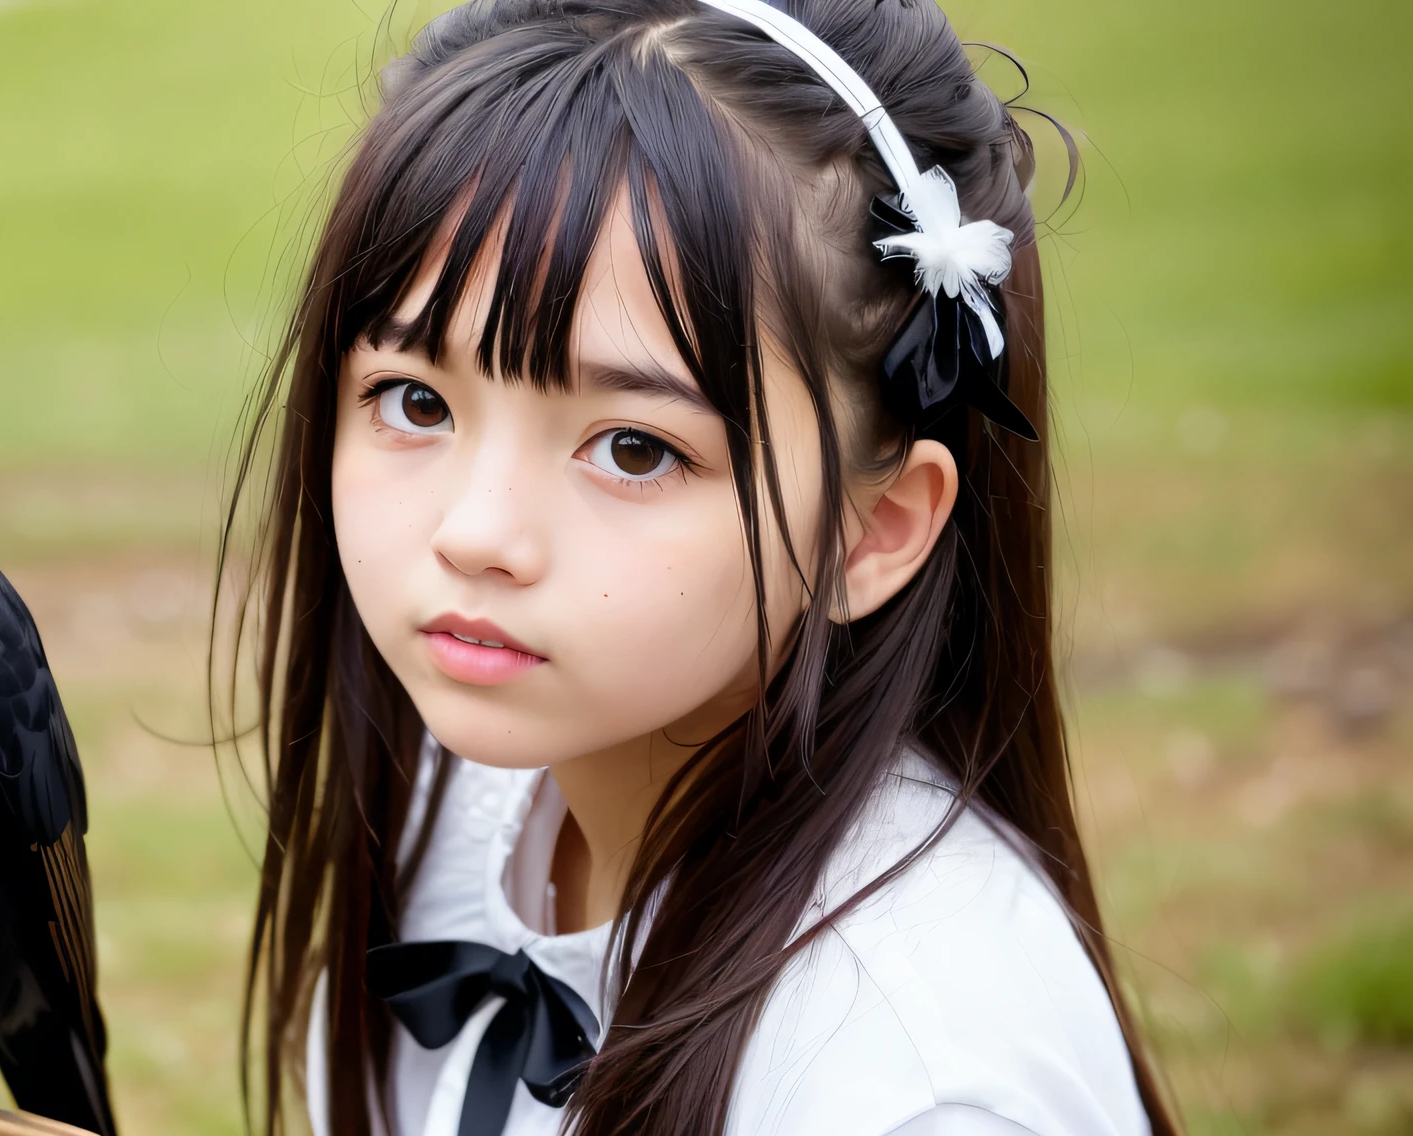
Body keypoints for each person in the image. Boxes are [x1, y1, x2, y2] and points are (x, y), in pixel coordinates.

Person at [216, 0, 1175, 1132]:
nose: (473, 532)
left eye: (632, 448)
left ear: (870, 531)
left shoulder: (913, 1078)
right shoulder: (471, 802)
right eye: (413, 400)